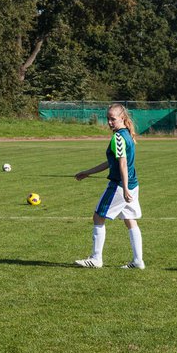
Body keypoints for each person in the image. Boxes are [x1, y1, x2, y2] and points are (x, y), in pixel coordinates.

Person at [73, 103, 144, 269]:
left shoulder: (118, 137)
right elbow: (112, 162)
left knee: (98, 217)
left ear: (122, 118)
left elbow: (123, 164)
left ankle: (96, 258)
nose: (110, 122)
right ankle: (138, 261)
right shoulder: (127, 134)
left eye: (113, 119)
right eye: (108, 119)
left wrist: (124, 188)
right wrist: (88, 172)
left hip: (120, 186)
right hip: (133, 184)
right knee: (130, 220)